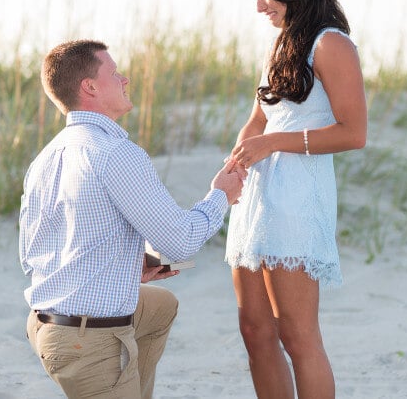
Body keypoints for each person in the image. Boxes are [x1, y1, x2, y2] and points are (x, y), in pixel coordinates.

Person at [19, 39, 246, 398]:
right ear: (89, 87)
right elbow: (181, 241)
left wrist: (129, 264)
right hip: (84, 341)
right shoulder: (115, 153)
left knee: (160, 306)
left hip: (43, 323)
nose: (125, 79)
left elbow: (36, 253)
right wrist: (221, 194)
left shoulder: (46, 157)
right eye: (115, 73)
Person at [224, 0, 364, 399]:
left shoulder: (332, 45)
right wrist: (237, 160)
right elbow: (258, 119)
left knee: (298, 337)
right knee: (255, 331)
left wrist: (273, 145)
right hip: (256, 198)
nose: (259, 5)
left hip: (298, 198)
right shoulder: (281, 44)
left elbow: (353, 132)